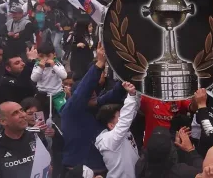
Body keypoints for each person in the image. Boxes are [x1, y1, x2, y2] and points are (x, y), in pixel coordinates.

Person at [61, 42, 125, 175]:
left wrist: (127, 73)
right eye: (89, 94)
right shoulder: (72, 110)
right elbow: (83, 91)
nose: (93, 94)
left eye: (94, 92)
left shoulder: (95, 104)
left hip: (101, 169)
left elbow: (115, 94)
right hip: (79, 172)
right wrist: (99, 64)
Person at [0, 101, 47, 178]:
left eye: (22, 110)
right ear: (3, 121)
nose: (23, 115)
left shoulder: (37, 134)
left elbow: (47, 163)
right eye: (15, 113)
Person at [95, 82, 140, 178]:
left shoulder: (120, 132)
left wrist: (137, 94)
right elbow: (125, 120)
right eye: (119, 117)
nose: (123, 118)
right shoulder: (109, 140)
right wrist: (131, 96)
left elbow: (130, 114)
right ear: (111, 125)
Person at [135, 126, 202, 178]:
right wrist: (190, 150)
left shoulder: (140, 166)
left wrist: (178, 149)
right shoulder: (181, 172)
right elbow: (203, 173)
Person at [30, 43, 67, 112]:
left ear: (54, 55)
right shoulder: (37, 65)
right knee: (38, 112)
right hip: (42, 94)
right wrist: (41, 68)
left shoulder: (57, 64)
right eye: (41, 56)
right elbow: (34, 79)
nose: (45, 59)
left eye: (48, 56)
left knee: (64, 111)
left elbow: (64, 76)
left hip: (57, 94)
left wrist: (54, 66)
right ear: (38, 56)